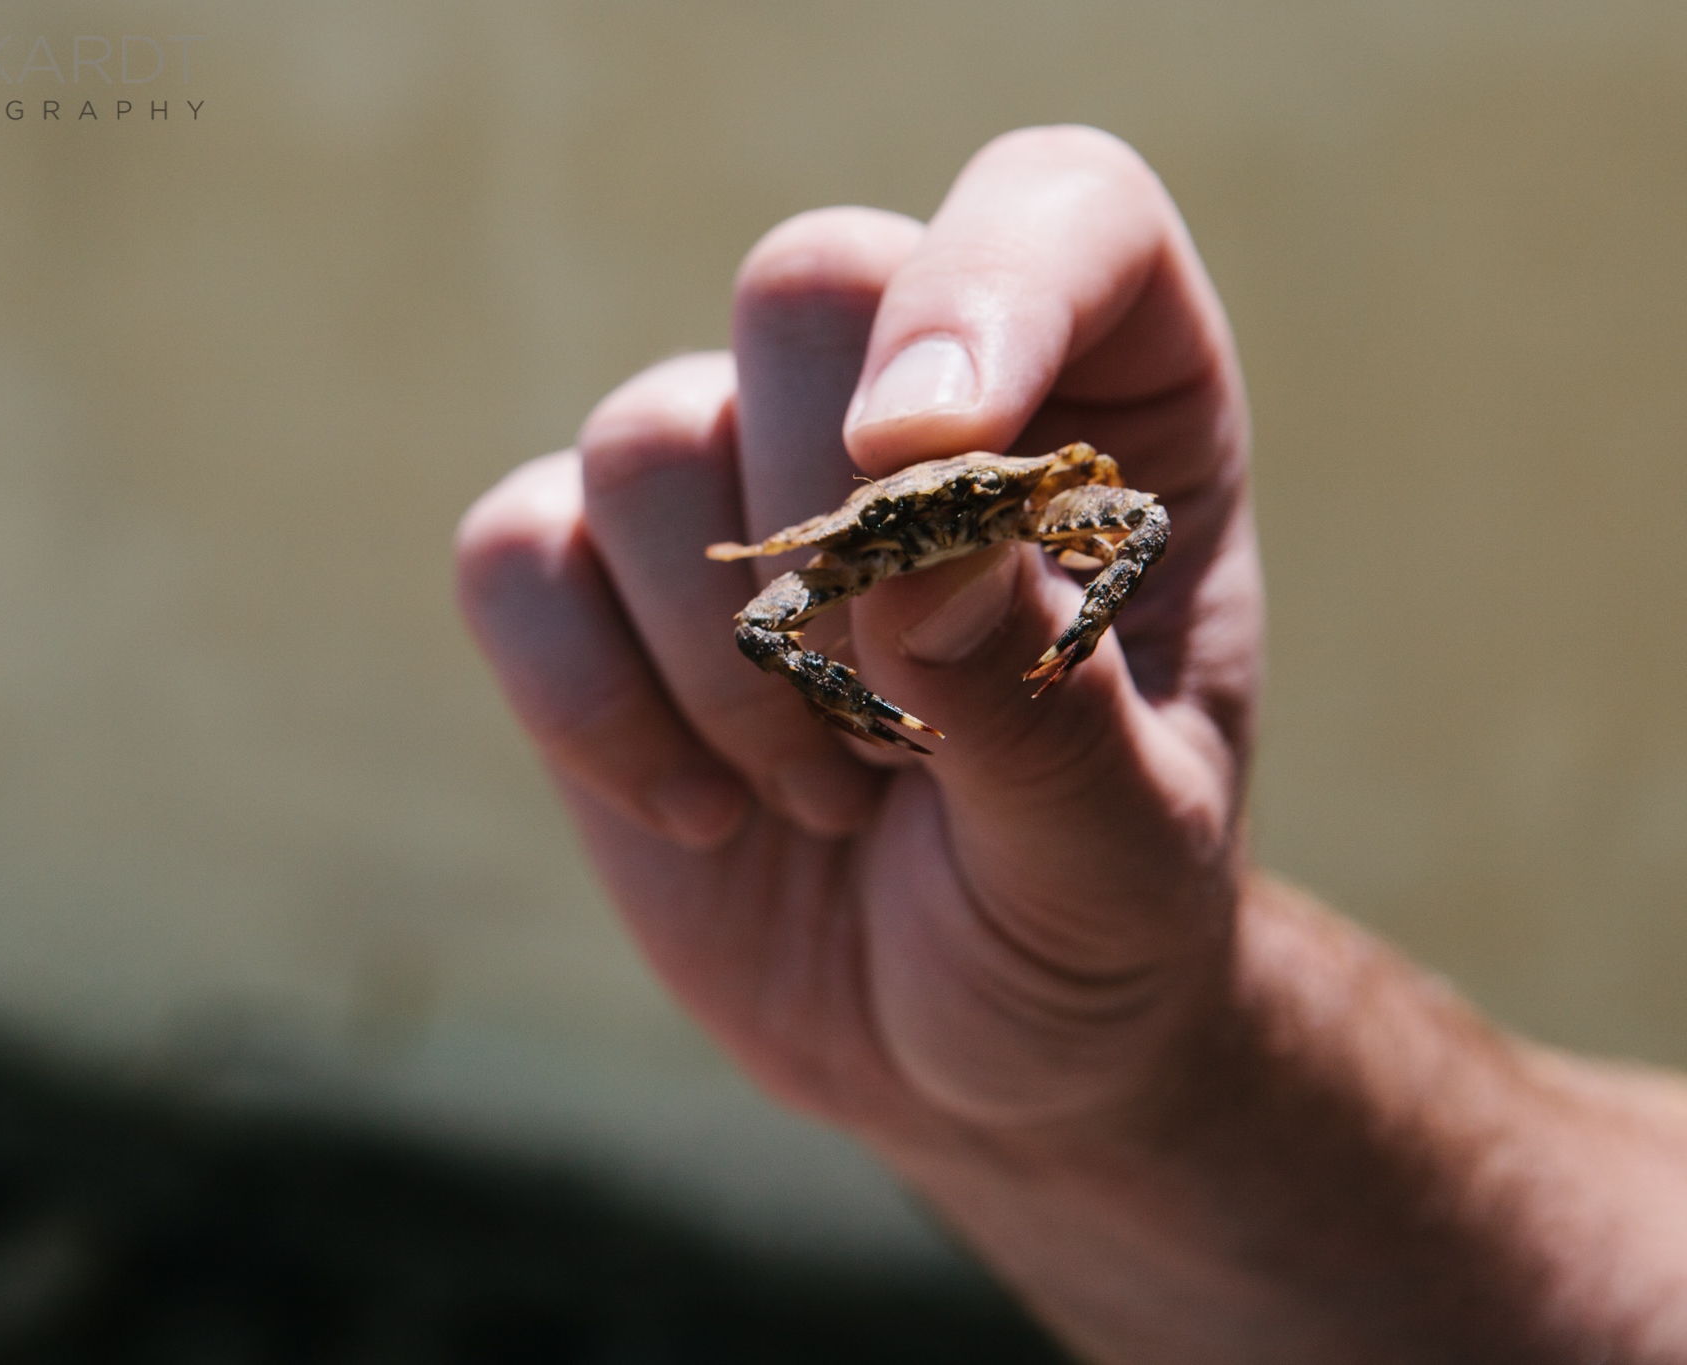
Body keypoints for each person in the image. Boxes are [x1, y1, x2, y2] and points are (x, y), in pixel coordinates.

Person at [452, 125, 1687, 1360]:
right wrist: (1104, 1104)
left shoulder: (1044, 496)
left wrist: (1094, 612)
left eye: (979, 506)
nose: (951, 524)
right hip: (880, 787)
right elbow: (765, 615)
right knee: (765, 632)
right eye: (924, 519)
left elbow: (1131, 515)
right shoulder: (846, 551)